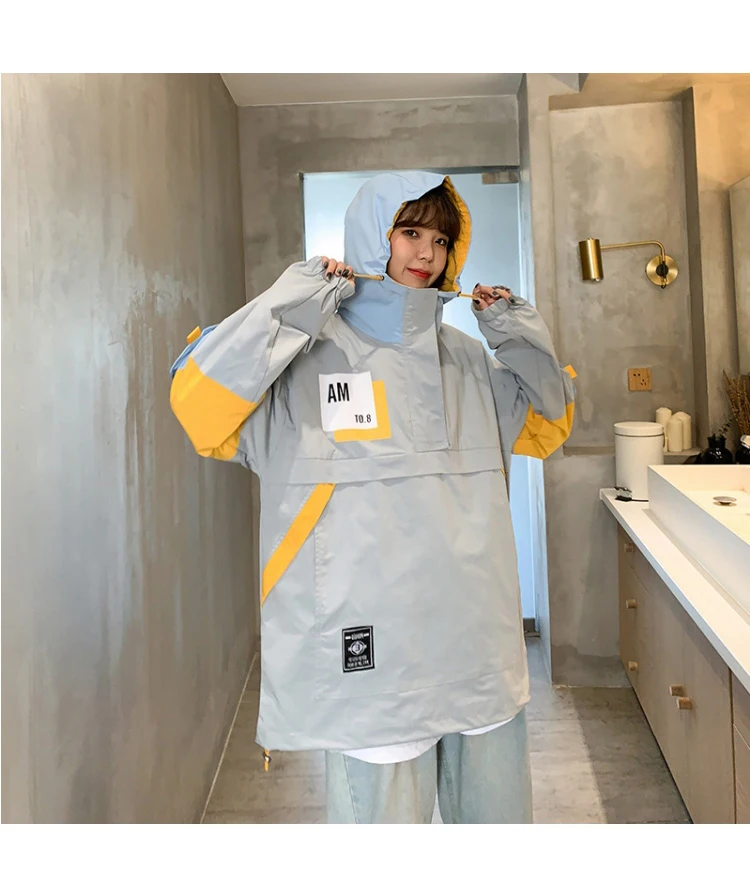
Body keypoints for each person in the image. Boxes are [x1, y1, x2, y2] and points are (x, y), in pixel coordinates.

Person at [169, 171, 576, 824]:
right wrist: (293, 304)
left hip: (477, 647)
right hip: (372, 661)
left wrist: (514, 330)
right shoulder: (308, 358)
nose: (427, 254)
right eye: (409, 232)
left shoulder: (469, 360)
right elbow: (199, 406)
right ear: (370, 237)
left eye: (440, 240)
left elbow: (551, 420)